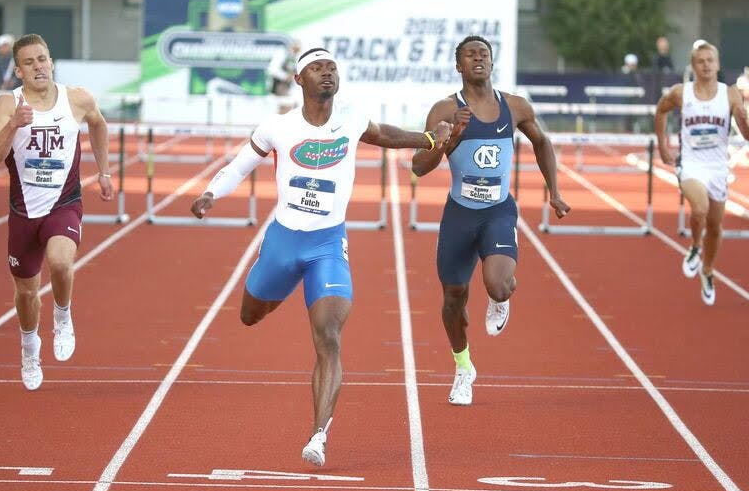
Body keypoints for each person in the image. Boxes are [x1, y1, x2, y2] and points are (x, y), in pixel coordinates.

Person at [190, 47, 451, 466]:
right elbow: (239, 167)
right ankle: (281, 284)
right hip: (283, 242)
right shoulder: (278, 127)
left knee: (328, 336)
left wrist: (429, 138)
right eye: (317, 68)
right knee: (250, 315)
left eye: (332, 67)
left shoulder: (351, 117)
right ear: (300, 80)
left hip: (328, 245)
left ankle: (318, 435)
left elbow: (385, 135)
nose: (327, 73)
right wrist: (209, 194)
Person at [412, 35, 570, 406]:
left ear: (492, 62)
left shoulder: (514, 107)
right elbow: (419, 167)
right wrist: (450, 141)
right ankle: (463, 367)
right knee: (454, 298)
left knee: (499, 286)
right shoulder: (444, 111)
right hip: (459, 215)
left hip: (498, 210)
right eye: (470, 55)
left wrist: (555, 191)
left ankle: (500, 300)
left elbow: (542, 142)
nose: (478, 59)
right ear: (458, 66)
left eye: (484, 54)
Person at [0, 34, 113, 390]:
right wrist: (13, 125)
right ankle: (29, 348)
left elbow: (99, 125)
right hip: (24, 211)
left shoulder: (77, 98)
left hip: (64, 203)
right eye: (29, 62)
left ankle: (62, 316)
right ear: (18, 70)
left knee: (60, 263)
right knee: (26, 293)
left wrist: (103, 172)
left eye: (43, 59)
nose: (38, 66)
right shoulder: (7, 104)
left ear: (51, 61)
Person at [654, 40, 749, 306]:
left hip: (718, 166)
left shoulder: (729, 94)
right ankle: (695, 246)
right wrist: (663, 146)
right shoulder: (680, 93)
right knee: (700, 209)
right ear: (693, 66)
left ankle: (707, 271)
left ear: (717, 64)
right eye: (701, 61)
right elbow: (660, 110)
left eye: (710, 60)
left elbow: (746, 132)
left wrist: (743, 120)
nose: (706, 65)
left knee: (716, 228)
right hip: (691, 164)